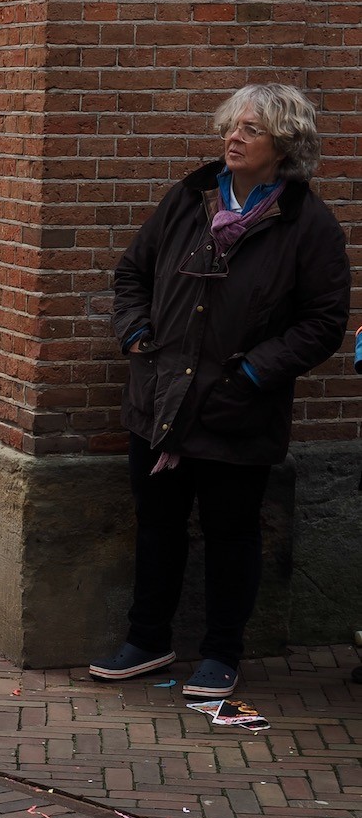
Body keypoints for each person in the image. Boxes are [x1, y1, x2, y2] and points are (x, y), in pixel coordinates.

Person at [91, 84, 350, 699]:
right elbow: (132, 274)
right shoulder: (189, 198)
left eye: (251, 129)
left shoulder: (308, 225)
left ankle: (222, 653)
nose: (232, 137)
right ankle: (147, 640)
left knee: (232, 533)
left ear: (284, 146)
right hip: (160, 400)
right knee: (157, 524)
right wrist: (136, 336)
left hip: (237, 408)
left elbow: (323, 323)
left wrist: (252, 376)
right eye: (232, 125)